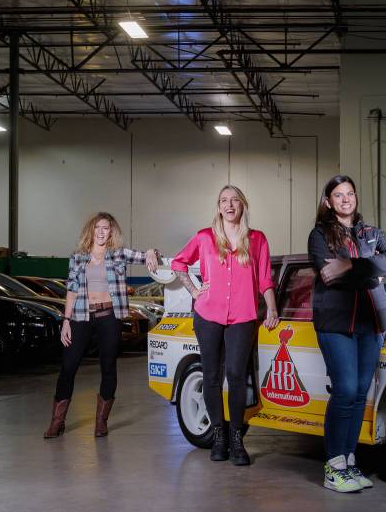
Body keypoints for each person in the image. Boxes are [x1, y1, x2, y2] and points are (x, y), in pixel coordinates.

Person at [171, 185, 279, 466]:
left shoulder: (257, 239)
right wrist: (195, 292)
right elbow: (178, 263)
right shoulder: (205, 238)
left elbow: (265, 279)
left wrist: (272, 307)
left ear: (243, 205)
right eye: (223, 201)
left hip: (243, 317)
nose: (229, 205)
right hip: (208, 316)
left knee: (236, 373)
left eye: (234, 201)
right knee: (211, 375)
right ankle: (218, 435)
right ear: (218, 207)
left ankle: (236, 437)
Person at [308, 175, 386, 493]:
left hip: (371, 322)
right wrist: (366, 270)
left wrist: (349, 265)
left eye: (351, 194)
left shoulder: (372, 232)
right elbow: (329, 275)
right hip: (336, 323)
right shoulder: (319, 235)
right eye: (339, 195)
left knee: (360, 393)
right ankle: (333, 466)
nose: (346, 199)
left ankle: (348, 459)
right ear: (328, 201)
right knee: (344, 390)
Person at [44, 213, 159, 439]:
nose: (101, 231)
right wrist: (66, 321)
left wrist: (151, 252)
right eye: (97, 227)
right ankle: (57, 422)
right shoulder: (78, 257)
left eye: (105, 228)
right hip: (80, 317)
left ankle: (101, 422)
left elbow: (142, 255)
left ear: (111, 232)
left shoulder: (117, 254)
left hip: (109, 316)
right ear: (91, 230)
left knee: (108, 367)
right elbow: (72, 290)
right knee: (68, 366)